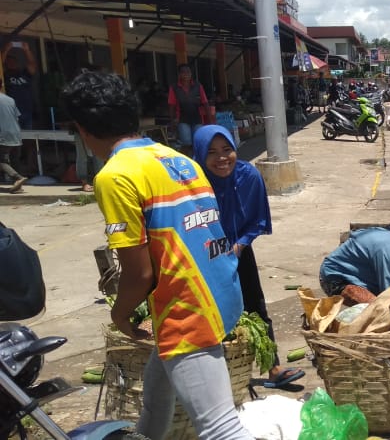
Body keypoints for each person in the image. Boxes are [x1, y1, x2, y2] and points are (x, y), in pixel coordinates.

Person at [62, 71, 251, 440]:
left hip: (188, 308)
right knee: (156, 399)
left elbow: (139, 274)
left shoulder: (114, 176)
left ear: (82, 130)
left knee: (220, 428)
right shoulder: (176, 159)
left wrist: (120, 313)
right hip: (221, 291)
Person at [191, 125, 305, 390]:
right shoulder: (192, 185)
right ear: (199, 155)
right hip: (202, 257)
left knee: (255, 307)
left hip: (239, 250)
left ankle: (274, 368)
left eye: (227, 150)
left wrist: (240, 245)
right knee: (209, 315)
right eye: (212, 152)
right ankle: (217, 376)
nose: (222, 158)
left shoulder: (249, 176)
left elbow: (257, 220)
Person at [168, 64, 211, 152]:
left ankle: (198, 162)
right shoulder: (174, 88)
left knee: (198, 142)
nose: (186, 74)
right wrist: (172, 121)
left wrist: (210, 120)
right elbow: (171, 105)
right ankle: (188, 162)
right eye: (183, 72)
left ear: (191, 73)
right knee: (186, 143)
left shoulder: (198, 86)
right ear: (179, 74)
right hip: (182, 119)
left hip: (197, 118)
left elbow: (205, 103)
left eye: (188, 72)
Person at [2, 41, 36, 131]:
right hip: (12, 113)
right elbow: (0, 65)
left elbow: (32, 65)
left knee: (29, 138)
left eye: (14, 61)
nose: (12, 63)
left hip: (27, 111)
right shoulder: (5, 75)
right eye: (9, 62)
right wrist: (6, 49)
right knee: (15, 139)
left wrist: (27, 51)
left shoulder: (24, 73)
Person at [0, 85, 28, 194]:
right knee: (14, 160)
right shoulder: (10, 99)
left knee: (1, 160)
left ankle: (17, 178)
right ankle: (18, 187)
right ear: (2, 86)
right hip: (16, 133)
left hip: (3, 134)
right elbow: (16, 116)